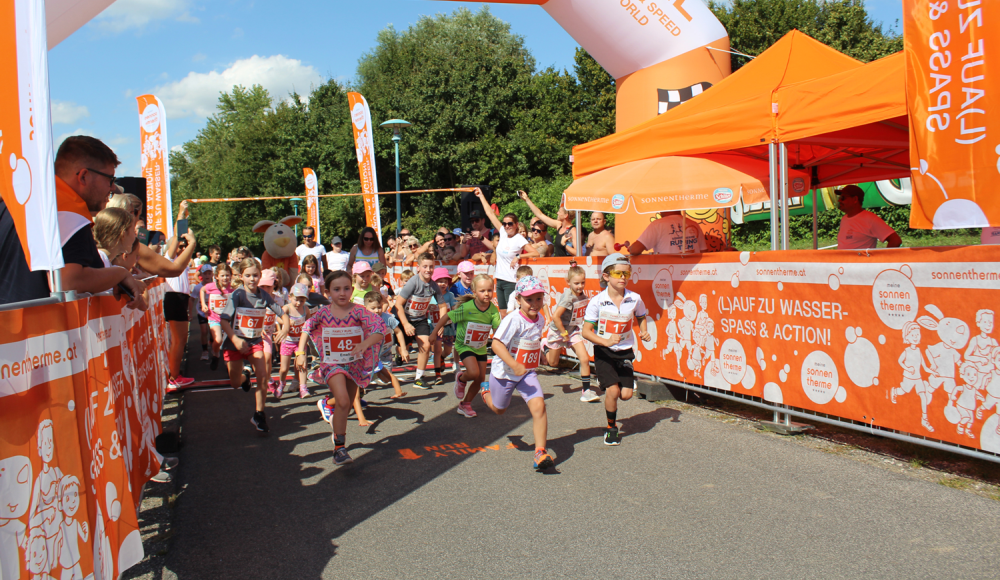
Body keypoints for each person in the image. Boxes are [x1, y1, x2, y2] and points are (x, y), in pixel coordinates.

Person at [0, 135, 146, 307]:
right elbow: (69, 281)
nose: (113, 188)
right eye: (110, 179)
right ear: (84, 176)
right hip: (44, 328)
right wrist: (120, 274)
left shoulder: (14, 203)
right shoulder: (69, 212)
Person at [298, 271, 387, 465]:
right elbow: (306, 327)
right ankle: (340, 449)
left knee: (344, 405)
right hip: (332, 364)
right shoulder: (322, 312)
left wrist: (364, 344)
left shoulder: (359, 311)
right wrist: (300, 353)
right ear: (328, 292)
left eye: (346, 288)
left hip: (355, 364)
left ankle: (327, 407)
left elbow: (380, 329)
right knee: (345, 401)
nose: (342, 293)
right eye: (336, 289)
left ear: (352, 289)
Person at [481, 276, 554, 471]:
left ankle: (540, 452)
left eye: (539, 299)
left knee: (539, 406)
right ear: (519, 300)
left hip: (525, 373)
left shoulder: (540, 318)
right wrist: (513, 364)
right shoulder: (512, 320)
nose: (534, 304)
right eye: (529, 300)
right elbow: (496, 345)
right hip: (504, 372)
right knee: (499, 409)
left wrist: (540, 354)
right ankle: (485, 392)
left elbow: (532, 339)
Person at [582, 254, 651, 446]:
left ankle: (611, 380)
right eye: (618, 273)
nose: (623, 277)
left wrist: (644, 332)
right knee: (612, 391)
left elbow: (641, 316)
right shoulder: (597, 301)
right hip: (604, 352)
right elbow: (586, 332)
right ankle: (611, 429)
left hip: (625, 350)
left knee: (626, 395)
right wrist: (604, 341)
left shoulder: (634, 298)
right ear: (606, 276)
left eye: (626, 273)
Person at [219, 258, 289, 433]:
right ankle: (244, 379)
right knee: (235, 383)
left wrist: (286, 327)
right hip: (234, 344)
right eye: (248, 275)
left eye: (255, 275)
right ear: (241, 276)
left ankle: (259, 414)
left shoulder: (263, 295)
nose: (252, 279)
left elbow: (282, 312)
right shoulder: (237, 295)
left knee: (263, 374)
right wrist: (235, 339)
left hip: (254, 343)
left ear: (260, 275)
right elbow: (224, 320)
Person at [431, 274, 501, 418]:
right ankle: (461, 379)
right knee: (473, 372)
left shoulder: (493, 310)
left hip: (480, 347)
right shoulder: (467, 308)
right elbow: (447, 317)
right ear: (474, 291)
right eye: (482, 291)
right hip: (465, 345)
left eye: (489, 290)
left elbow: (497, 330)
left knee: (480, 379)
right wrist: (434, 333)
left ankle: (465, 404)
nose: (487, 294)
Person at [475, 187, 538, 316]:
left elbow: (535, 253)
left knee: (512, 313)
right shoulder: (503, 233)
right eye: (505, 224)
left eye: (510, 224)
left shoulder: (518, 238)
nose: (507, 226)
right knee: (503, 313)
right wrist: (481, 196)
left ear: (516, 225)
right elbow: (490, 214)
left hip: (511, 280)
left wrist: (518, 256)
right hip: (499, 279)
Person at [543, 265, 597, 402]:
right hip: (558, 330)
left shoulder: (583, 296)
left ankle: (586, 391)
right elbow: (556, 317)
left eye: (582, 282)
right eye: (576, 283)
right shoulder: (568, 297)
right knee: (553, 363)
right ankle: (544, 346)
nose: (580, 286)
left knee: (584, 359)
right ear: (568, 282)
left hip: (572, 331)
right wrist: (563, 333)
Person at [395, 253, 449, 389]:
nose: (428, 270)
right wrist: (406, 324)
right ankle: (399, 351)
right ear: (418, 268)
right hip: (404, 318)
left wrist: (440, 324)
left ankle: (418, 378)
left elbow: (442, 306)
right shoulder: (413, 282)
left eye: (431, 267)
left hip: (420, 319)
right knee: (403, 347)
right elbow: (398, 304)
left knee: (425, 346)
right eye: (425, 266)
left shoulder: (434, 286)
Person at [164, 203, 199, 389]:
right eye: (181, 245)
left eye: (186, 245)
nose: (183, 247)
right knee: (178, 341)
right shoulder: (170, 258)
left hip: (180, 299)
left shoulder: (183, 262)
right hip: (174, 298)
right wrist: (180, 213)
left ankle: (175, 374)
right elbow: (178, 235)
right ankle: (174, 378)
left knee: (180, 340)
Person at [364, 291, 408, 400]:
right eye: (372, 308)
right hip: (370, 354)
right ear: (365, 308)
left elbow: (398, 332)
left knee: (386, 379)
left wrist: (403, 349)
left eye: (379, 307)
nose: (377, 311)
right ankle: (358, 392)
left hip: (385, 352)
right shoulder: (363, 320)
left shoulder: (387, 318)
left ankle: (377, 374)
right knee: (365, 377)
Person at [835, 185, 902, 250]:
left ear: (855, 199)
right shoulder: (844, 219)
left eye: (843, 198)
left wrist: (883, 259)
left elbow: (895, 240)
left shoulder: (870, 219)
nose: (839, 201)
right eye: (839, 198)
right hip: (842, 261)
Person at [278, 283, 313, 398]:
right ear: (290, 297)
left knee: (302, 365)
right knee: (284, 368)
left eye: (302, 301)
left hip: (300, 343)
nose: (298, 303)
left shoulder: (305, 309)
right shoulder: (286, 308)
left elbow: (309, 323)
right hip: (287, 342)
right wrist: (286, 321)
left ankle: (303, 387)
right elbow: (277, 317)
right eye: (296, 300)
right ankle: (281, 384)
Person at [519, 190, 578, 257]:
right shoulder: (559, 225)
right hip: (558, 265)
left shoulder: (573, 230)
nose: (557, 213)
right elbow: (540, 215)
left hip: (568, 265)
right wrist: (527, 199)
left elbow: (578, 253)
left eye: (560, 212)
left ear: (565, 215)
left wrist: (564, 245)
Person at [201, 263, 234, 370]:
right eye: (222, 275)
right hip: (214, 317)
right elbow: (202, 290)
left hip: (228, 319)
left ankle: (228, 361)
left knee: (229, 341)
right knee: (218, 339)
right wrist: (203, 304)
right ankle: (215, 353)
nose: (225, 278)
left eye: (227, 275)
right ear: (216, 276)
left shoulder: (232, 287)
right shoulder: (212, 286)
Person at [628, 213, 705, 255]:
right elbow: (704, 251)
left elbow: (635, 250)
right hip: (693, 276)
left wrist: (631, 248)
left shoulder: (658, 225)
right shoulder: (694, 224)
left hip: (668, 276)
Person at [429, 267, 457, 385]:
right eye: (439, 281)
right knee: (437, 349)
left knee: (448, 350)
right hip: (434, 326)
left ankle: (441, 358)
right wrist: (428, 308)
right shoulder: (430, 295)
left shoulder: (450, 295)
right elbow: (425, 309)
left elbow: (454, 308)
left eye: (445, 281)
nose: (443, 284)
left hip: (448, 327)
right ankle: (437, 375)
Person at [192, 265, 214, 362]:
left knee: (213, 333)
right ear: (201, 275)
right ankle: (205, 351)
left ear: (212, 274)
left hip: (213, 314)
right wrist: (189, 312)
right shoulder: (198, 287)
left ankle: (213, 348)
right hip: (201, 312)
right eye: (205, 273)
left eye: (209, 273)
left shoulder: (215, 286)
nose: (207, 276)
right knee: (204, 331)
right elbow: (191, 299)